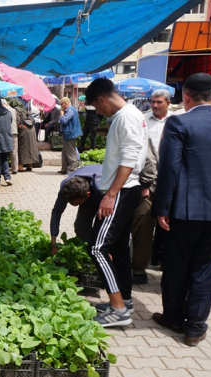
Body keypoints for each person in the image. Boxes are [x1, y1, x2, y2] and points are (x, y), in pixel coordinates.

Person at [152, 73, 211, 347]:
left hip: (184, 210)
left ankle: (174, 318)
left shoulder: (179, 122)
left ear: (186, 96)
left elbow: (169, 169)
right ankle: (195, 329)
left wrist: (162, 207)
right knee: (205, 270)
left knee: (177, 266)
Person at [83, 78, 147, 327]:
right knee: (119, 247)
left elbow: (130, 158)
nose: (99, 114)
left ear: (102, 99)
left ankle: (119, 309)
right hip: (125, 190)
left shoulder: (125, 116)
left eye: (97, 109)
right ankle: (125, 300)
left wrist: (110, 195)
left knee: (97, 248)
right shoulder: (128, 114)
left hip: (121, 190)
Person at [49, 164, 104, 255]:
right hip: (88, 193)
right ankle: (85, 252)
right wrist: (53, 242)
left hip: (105, 194)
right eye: (71, 203)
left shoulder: (101, 189)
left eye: (77, 203)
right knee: (81, 226)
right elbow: (56, 212)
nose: (74, 205)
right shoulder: (66, 187)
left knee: (101, 228)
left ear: (87, 195)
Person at [129, 134, 159, 285]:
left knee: (142, 233)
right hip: (136, 191)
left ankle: (139, 272)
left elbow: (150, 161)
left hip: (144, 193)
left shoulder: (136, 135)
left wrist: (146, 185)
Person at [58, 97, 82, 174]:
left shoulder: (70, 110)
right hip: (68, 134)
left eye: (62, 104)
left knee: (71, 153)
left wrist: (61, 115)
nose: (62, 107)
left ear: (65, 103)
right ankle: (64, 169)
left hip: (70, 134)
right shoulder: (71, 110)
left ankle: (73, 170)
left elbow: (64, 121)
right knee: (65, 152)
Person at [145, 89, 171, 154]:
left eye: (159, 102)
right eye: (153, 102)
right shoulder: (142, 119)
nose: (155, 105)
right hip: (148, 161)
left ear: (168, 103)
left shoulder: (174, 119)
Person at [3, 100, 20, 174]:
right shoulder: (14, 110)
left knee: (4, 151)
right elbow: (18, 121)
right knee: (14, 152)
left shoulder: (3, 111)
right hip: (14, 132)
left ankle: (4, 169)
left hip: (6, 133)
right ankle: (15, 169)